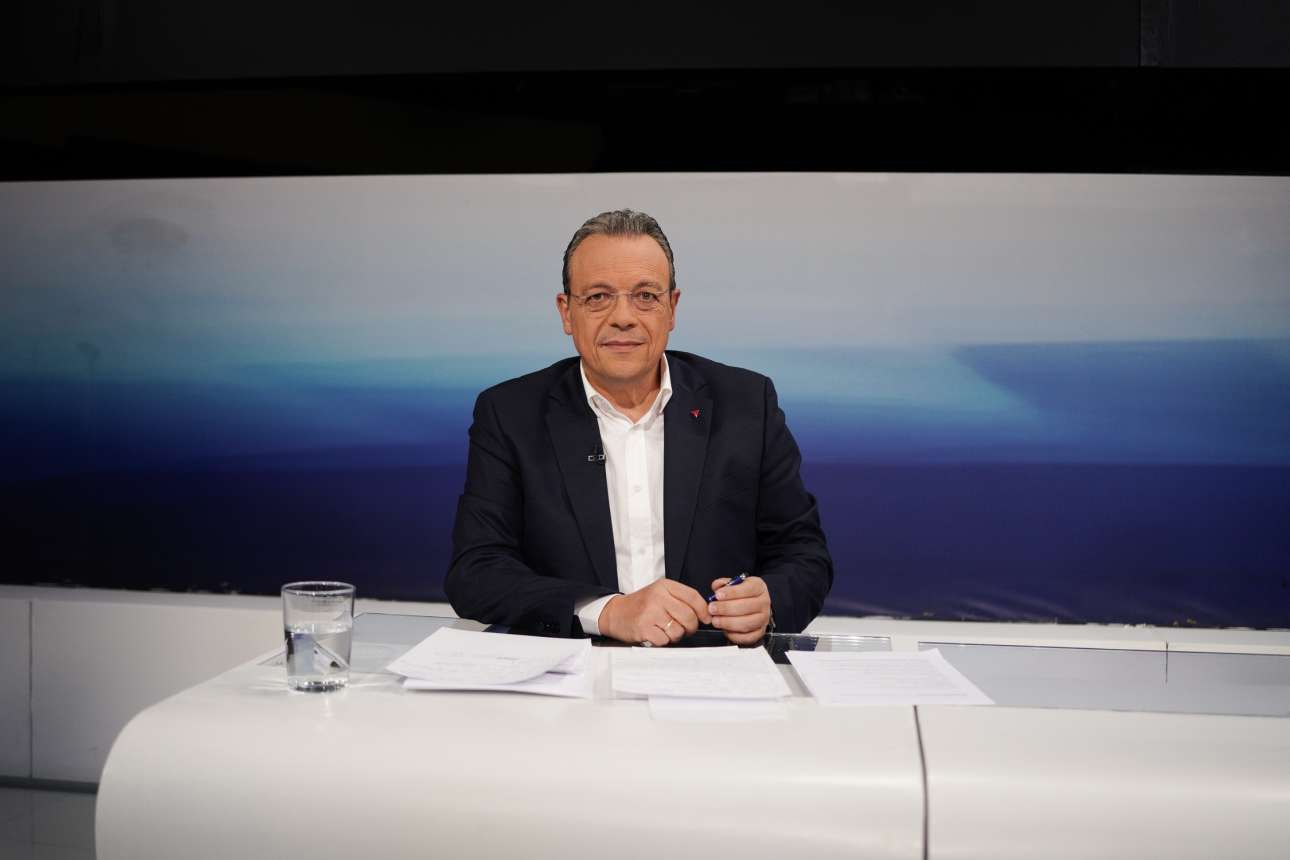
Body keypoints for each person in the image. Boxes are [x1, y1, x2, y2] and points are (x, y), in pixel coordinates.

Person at [445, 209, 832, 645]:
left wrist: (769, 601)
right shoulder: (510, 414)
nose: (623, 317)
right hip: (571, 669)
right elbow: (476, 571)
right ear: (566, 312)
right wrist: (606, 612)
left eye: (646, 296)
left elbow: (804, 555)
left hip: (712, 668)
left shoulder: (746, 404)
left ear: (672, 308)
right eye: (598, 297)